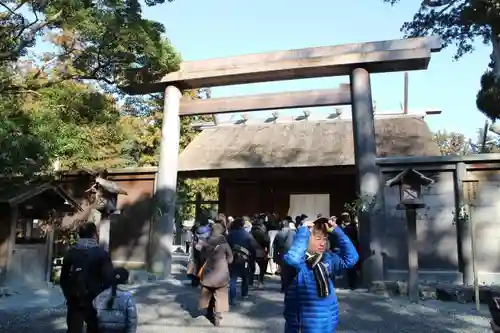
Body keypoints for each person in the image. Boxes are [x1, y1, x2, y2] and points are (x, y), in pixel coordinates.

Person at [282, 216, 359, 333]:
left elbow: (352, 259)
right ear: (306, 239)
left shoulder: (328, 259)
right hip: (302, 328)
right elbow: (292, 259)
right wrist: (303, 232)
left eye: (325, 238)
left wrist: (338, 232)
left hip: (327, 325)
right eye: (318, 238)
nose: (322, 243)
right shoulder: (298, 262)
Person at [60, 222, 114, 333]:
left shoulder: (71, 253)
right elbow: (108, 279)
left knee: (73, 330)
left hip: (75, 298)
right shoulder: (101, 254)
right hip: (95, 298)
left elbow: (63, 279)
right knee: (95, 329)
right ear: (95, 235)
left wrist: (69, 295)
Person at [197, 223, 233, 326]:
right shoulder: (224, 243)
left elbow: (200, 255)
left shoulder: (205, 241)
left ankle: (208, 311)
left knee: (208, 291)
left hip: (208, 272)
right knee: (220, 294)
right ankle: (217, 316)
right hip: (221, 274)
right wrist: (226, 262)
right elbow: (230, 259)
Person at [93, 267, 137, 333]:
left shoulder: (102, 295)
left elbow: (94, 306)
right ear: (126, 280)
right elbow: (132, 318)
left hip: (103, 329)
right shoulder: (128, 296)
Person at [226, 217, 257, 305]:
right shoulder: (247, 235)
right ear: (243, 225)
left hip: (233, 258)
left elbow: (226, 245)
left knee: (233, 278)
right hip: (245, 258)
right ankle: (244, 294)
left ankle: (232, 297)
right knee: (245, 277)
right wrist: (253, 258)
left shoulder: (230, 234)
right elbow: (252, 247)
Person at [273, 217, 297, 292]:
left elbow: (275, 246)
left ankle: (284, 287)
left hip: (282, 254)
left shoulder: (278, 234)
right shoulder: (294, 233)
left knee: (283, 272)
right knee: (292, 271)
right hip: (293, 254)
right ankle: (291, 287)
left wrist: (275, 256)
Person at [339, 212, 359, 289]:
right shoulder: (351, 227)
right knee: (350, 266)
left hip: (351, 248)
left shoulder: (350, 227)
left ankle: (353, 284)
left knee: (351, 267)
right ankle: (351, 283)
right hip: (350, 248)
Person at [250, 217, 270, 288]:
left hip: (251, 251)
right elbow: (267, 241)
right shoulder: (262, 233)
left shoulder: (250, 232)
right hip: (260, 251)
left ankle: (250, 282)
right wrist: (267, 251)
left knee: (251, 267)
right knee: (262, 267)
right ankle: (260, 282)